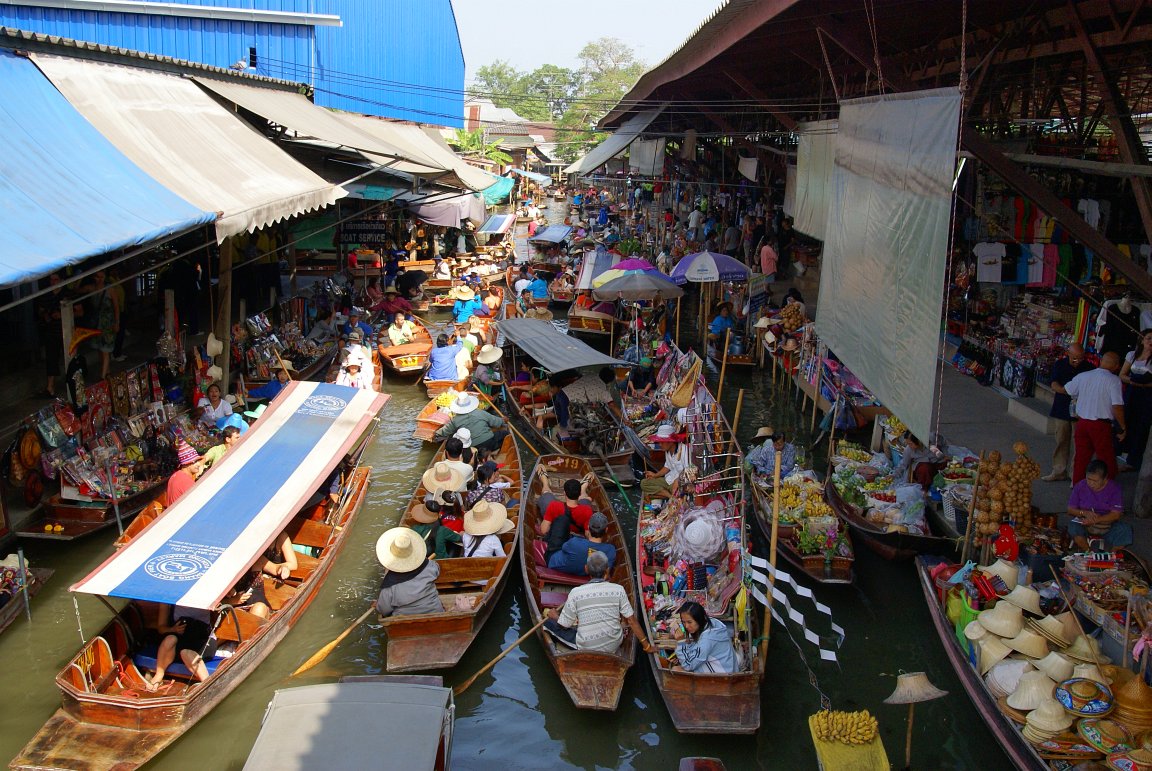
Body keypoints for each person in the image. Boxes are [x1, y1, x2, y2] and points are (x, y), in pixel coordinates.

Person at [544, 551, 654, 654]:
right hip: (614, 645)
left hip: (586, 647)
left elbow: (564, 625)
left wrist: (554, 616)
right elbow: (631, 621)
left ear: (586, 569)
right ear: (607, 570)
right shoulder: (619, 589)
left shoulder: (575, 592)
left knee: (548, 623)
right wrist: (647, 646)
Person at [1065, 351, 1127, 482]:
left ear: (1101, 361)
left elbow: (1068, 389)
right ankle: (1107, 488)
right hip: (1100, 425)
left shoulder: (1084, 376)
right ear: (1116, 366)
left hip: (1082, 423)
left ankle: (1078, 488)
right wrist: (1122, 426)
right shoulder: (1114, 381)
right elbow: (1117, 406)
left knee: (1081, 458)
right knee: (1106, 458)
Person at [1043, 344, 1094, 481]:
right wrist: (1064, 390)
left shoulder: (1089, 368)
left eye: (1080, 358)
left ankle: (1075, 474)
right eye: (1074, 358)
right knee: (1061, 440)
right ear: (1068, 354)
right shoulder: (1060, 364)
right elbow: (1053, 382)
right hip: (1062, 407)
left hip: (1080, 409)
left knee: (1079, 443)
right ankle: (1059, 470)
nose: (1077, 361)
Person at [228, 530, 298, 619]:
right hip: (234, 610)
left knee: (259, 608)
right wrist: (232, 600)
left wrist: (283, 568)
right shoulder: (225, 569)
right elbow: (217, 605)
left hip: (257, 606)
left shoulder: (257, 559)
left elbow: (275, 569)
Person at [374, 527, 443, 617]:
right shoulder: (430, 565)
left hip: (403, 620)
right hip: (435, 611)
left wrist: (378, 605)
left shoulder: (389, 585)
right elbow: (437, 570)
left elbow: (384, 610)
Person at [144, 604, 215, 690]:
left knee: (186, 653)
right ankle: (159, 674)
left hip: (202, 640)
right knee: (170, 639)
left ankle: (207, 684)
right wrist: (173, 629)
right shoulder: (169, 597)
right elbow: (161, 628)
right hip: (182, 638)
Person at [1067, 459, 1133, 550]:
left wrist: (1097, 520)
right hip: (1086, 523)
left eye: (1095, 481)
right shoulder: (1080, 486)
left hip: (1107, 524)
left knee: (1125, 530)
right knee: (1073, 527)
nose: (1091, 483)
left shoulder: (1114, 489)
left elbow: (1116, 514)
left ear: (1105, 479)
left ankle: (1110, 556)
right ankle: (1088, 552)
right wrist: (1084, 513)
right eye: (1088, 479)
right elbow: (1070, 509)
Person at [539, 477, 596, 564]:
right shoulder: (587, 510)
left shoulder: (554, 505)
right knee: (586, 501)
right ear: (579, 494)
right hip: (575, 537)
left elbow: (543, 531)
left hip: (558, 538)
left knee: (546, 494)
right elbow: (588, 535)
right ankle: (584, 488)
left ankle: (545, 483)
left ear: (564, 493)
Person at [671, 600, 739, 673]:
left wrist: (681, 643)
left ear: (699, 619)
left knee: (676, 670)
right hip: (728, 668)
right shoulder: (711, 623)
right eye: (683, 622)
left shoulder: (707, 639)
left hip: (722, 677)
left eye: (689, 622)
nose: (686, 626)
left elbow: (688, 665)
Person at [433, 392, 508, 452]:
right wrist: (503, 419)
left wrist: (436, 434)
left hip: (472, 447)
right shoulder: (480, 412)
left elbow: (445, 430)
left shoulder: (455, 419)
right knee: (505, 432)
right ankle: (496, 451)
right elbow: (497, 422)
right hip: (489, 442)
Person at [1121, 330, 1152, 472]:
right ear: (1141, 340)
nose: (1150, 342)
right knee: (1129, 422)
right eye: (1148, 338)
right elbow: (1122, 374)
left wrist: (1144, 384)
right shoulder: (1132, 355)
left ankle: (1135, 459)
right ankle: (1126, 455)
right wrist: (1132, 381)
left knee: (1142, 427)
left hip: (1147, 396)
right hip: (1132, 393)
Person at [548, 511, 616, 575]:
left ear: (588, 527)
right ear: (606, 530)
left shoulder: (575, 542)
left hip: (553, 563)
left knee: (562, 519)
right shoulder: (610, 550)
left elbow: (563, 547)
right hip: (583, 574)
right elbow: (606, 572)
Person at [35, 272, 68, 398]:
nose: (53, 282)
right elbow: (41, 311)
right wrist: (46, 315)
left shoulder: (66, 293)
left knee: (69, 357)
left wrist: (61, 315)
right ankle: (50, 386)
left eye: (56, 279)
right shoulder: (46, 295)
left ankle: (73, 383)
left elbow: (79, 311)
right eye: (51, 279)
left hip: (65, 330)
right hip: (51, 330)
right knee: (51, 358)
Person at [167, 440, 205, 504]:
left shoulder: (176, 475)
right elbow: (198, 502)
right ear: (186, 464)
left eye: (198, 461)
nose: (198, 464)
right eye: (194, 462)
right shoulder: (185, 481)